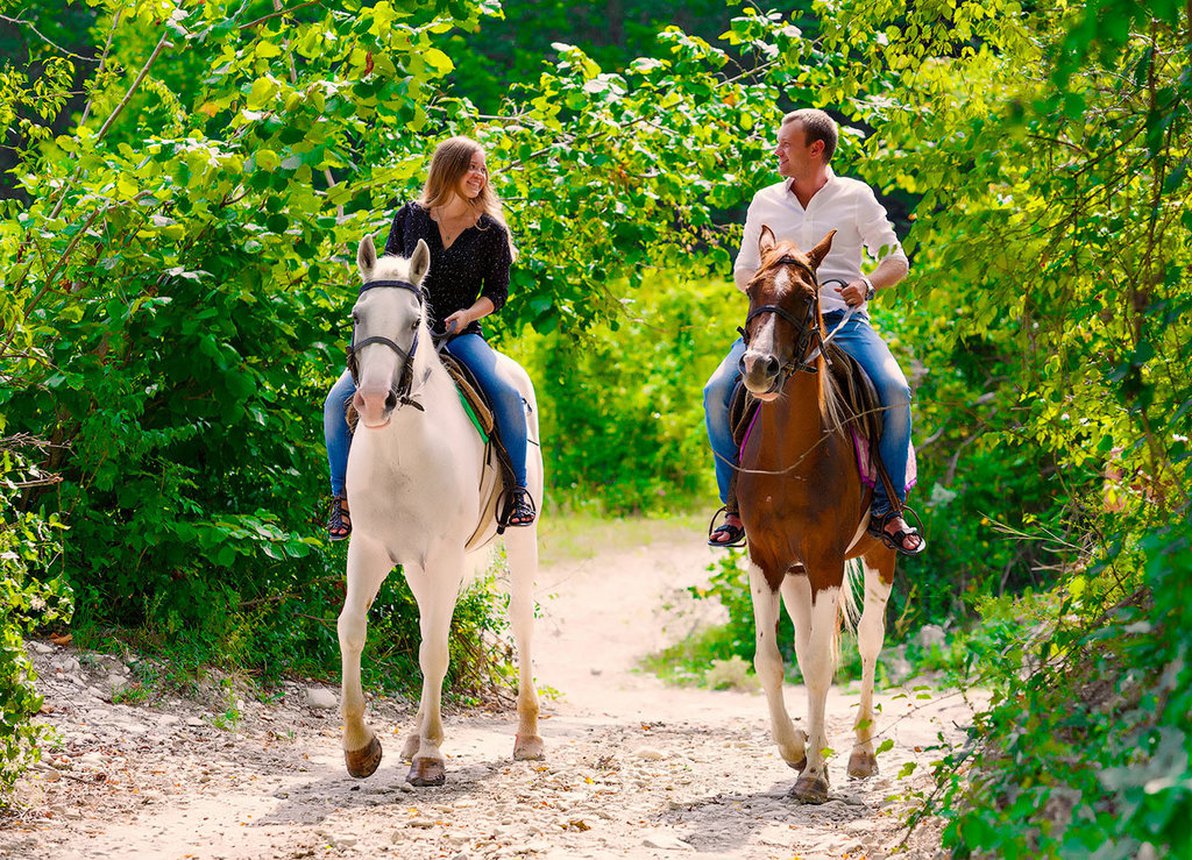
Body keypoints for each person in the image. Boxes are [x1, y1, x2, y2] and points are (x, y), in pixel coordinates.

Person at [703, 109, 925, 555]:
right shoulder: (764, 199)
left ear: (816, 149)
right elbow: (743, 268)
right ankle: (734, 507)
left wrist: (865, 284)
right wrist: (768, 282)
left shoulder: (856, 197)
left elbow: (895, 260)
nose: (778, 151)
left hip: (843, 323)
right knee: (715, 392)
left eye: (786, 144)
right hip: (777, 327)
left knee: (895, 391)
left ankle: (888, 509)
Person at [323, 135, 536, 539]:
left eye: (482, 168)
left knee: (507, 394)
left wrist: (467, 315)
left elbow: (498, 293)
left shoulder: (491, 231)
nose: (479, 176)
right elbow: (388, 273)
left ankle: (517, 491)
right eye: (471, 167)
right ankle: (341, 502)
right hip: (404, 338)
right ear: (448, 170)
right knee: (337, 402)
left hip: (458, 335)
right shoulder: (410, 217)